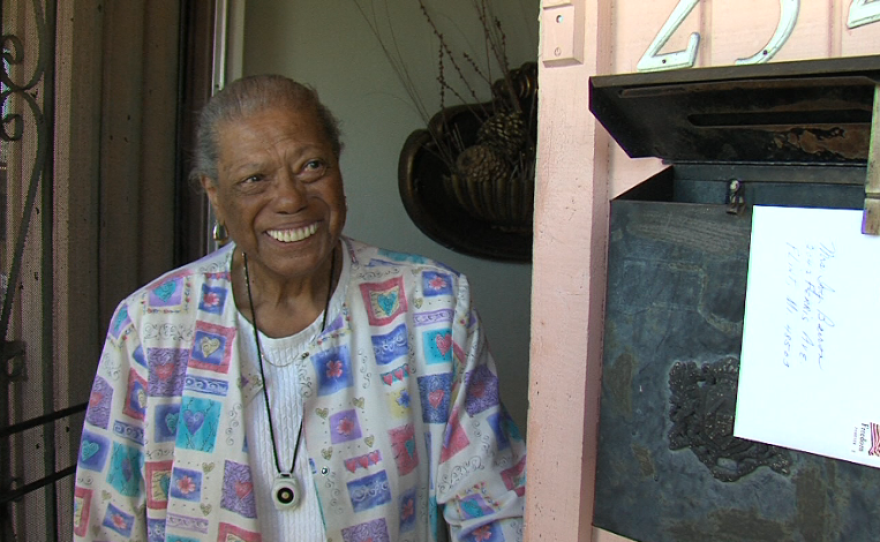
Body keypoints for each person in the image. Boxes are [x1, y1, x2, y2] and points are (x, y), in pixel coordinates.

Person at [72, 74, 526, 542]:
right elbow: (108, 521)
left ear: (338, 167)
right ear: (215, 195)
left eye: (311, 166)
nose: (290, 199)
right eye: (253, 179)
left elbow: (494, 505)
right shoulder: (153, 325)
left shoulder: (430, 306)